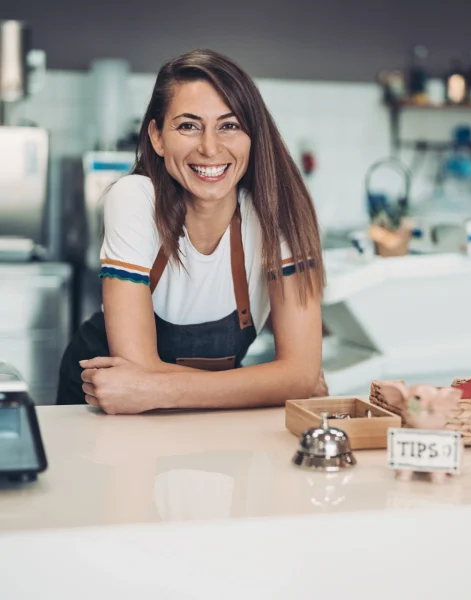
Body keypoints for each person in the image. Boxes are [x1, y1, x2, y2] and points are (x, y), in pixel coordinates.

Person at [57, 48, 327, 414]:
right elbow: (295, 380)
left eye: (229, 125)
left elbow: (301, 376)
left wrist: (153, 389)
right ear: (157, 137)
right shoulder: (134, 198)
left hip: (196, 412)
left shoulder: (279, 212)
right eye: (188, 125)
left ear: (253, 136)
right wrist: (269, 384)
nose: (210, 147)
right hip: (100, 406)